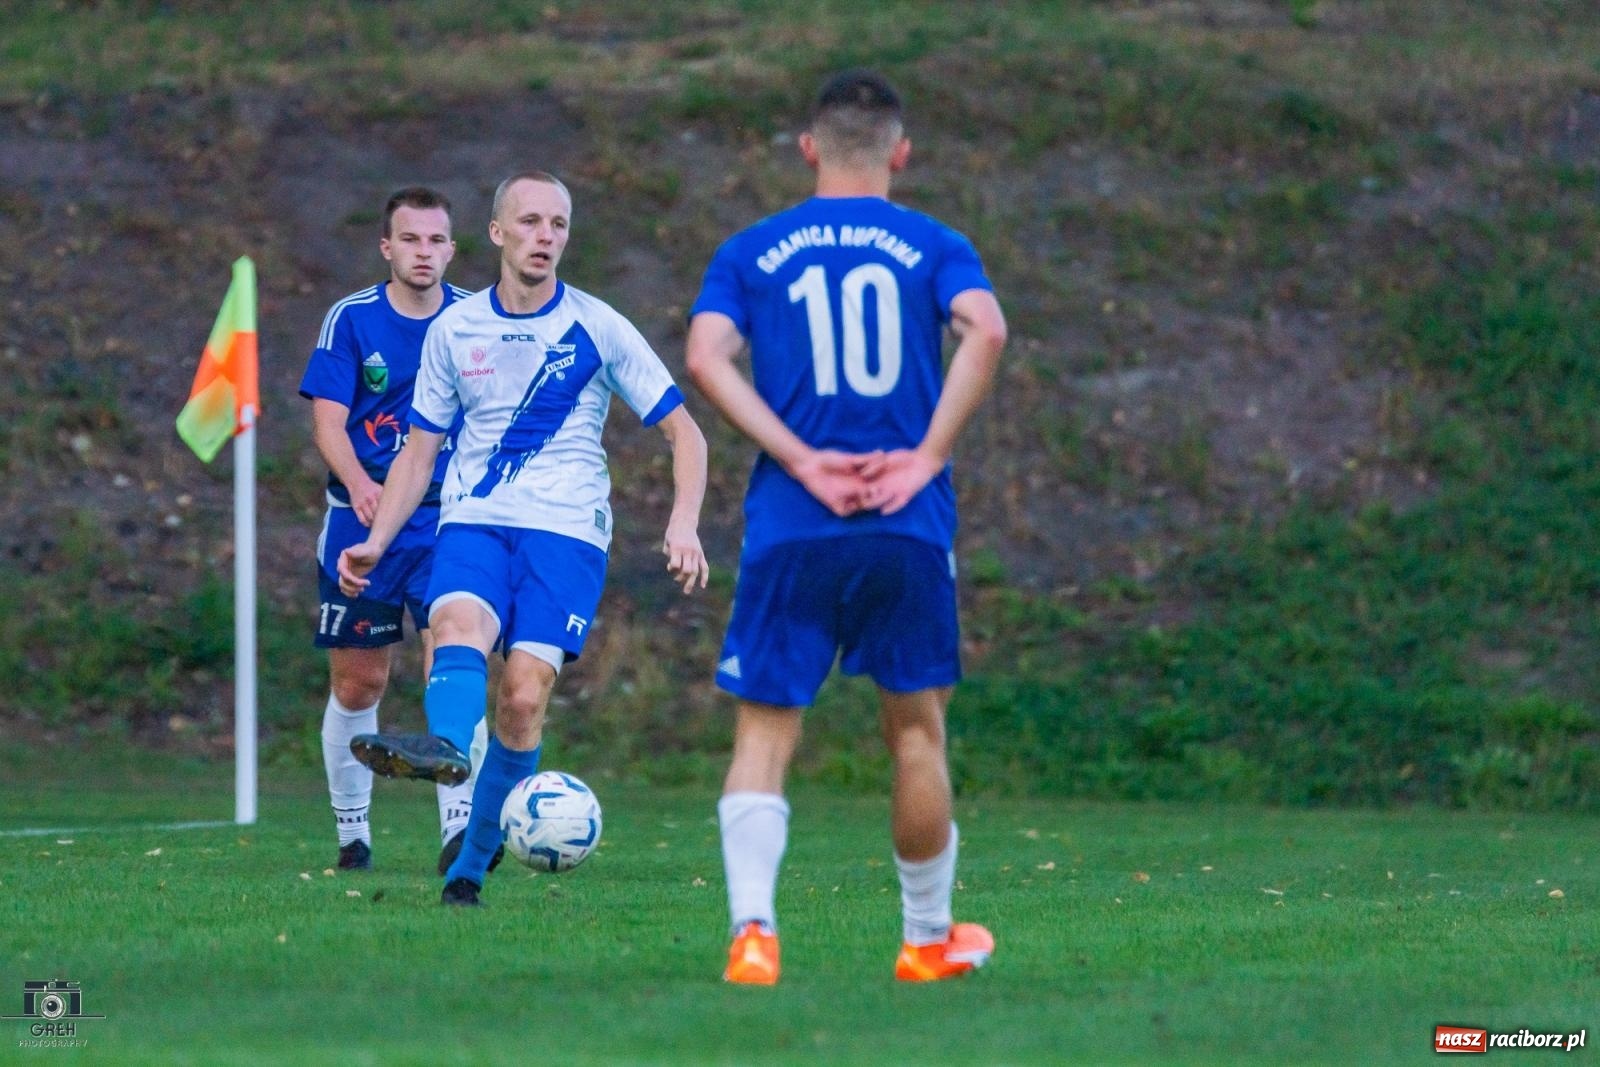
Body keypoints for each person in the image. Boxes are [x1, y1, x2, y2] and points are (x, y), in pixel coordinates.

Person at [685, 69, 1008, 984]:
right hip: (904, 518)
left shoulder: (752, 249)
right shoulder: (935, 242)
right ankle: (926, 937)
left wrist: (800, 457)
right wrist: (926, 454)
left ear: (809, 149)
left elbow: (707, 356)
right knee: (915, 732)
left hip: (795, 517)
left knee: (765, 732)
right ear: (900, 153)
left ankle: (754, 933)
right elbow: (985, 330)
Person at [338, 170, 711, 907]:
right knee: (455, 625)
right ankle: (447, 748)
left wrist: (684, 519)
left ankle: (471, 864)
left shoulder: (598, 326)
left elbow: (684, 430)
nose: (546, 237)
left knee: (520, 698)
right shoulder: (456, 328)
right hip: (474, 518)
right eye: (532, 222)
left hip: (566, 533)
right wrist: (377, 539)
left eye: (559, 225)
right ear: (499, 233)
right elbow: (418, 451)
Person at [298, 185, 491, 874]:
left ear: (452, 248)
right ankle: (354, 834)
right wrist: (359, 484)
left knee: (456, 658)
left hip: (453, 522)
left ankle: (459, 830)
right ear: (387, 246)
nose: (424, 251)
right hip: (363, 519)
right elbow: (328, 419)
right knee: (359, 684)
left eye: (437, 240)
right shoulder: (351, 320)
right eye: (410, 239)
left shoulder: (478, 318)